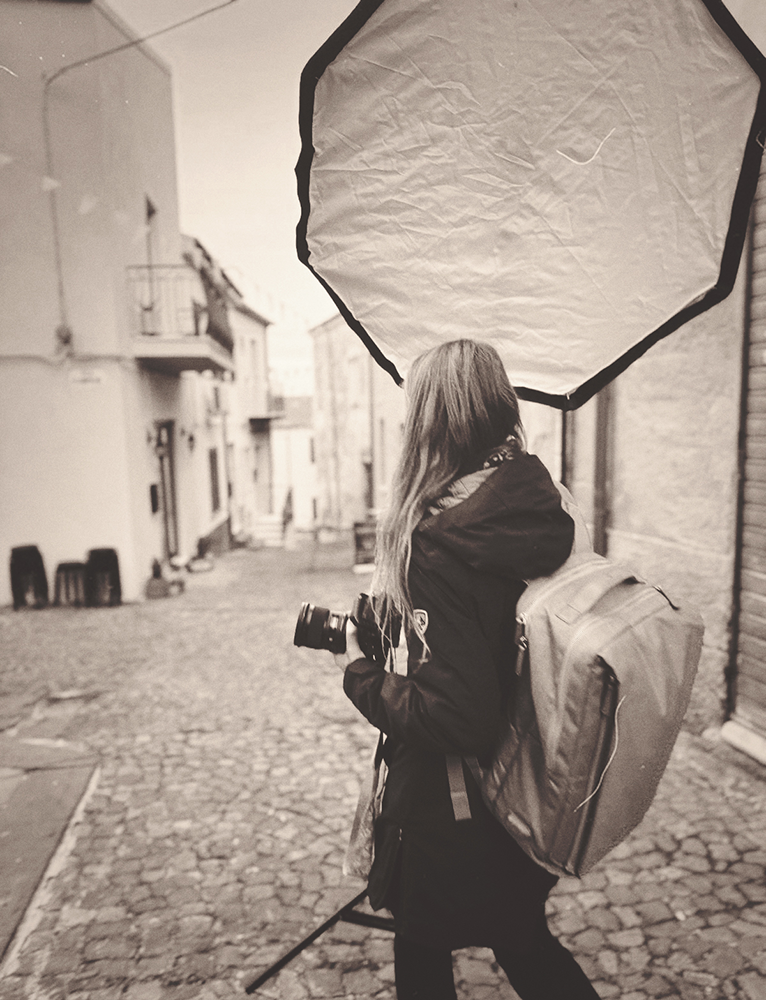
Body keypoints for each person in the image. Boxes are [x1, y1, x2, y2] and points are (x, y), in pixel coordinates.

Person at [334, 339, 600, 1000]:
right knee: (521, 943)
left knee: (426, 956)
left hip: (450, 808)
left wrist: (360, 671)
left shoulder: (437, 539)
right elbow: (490, 637)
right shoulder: (543, 505)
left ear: (431, 425)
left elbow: (459, 713)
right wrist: (408, 622)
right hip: (524, 783)